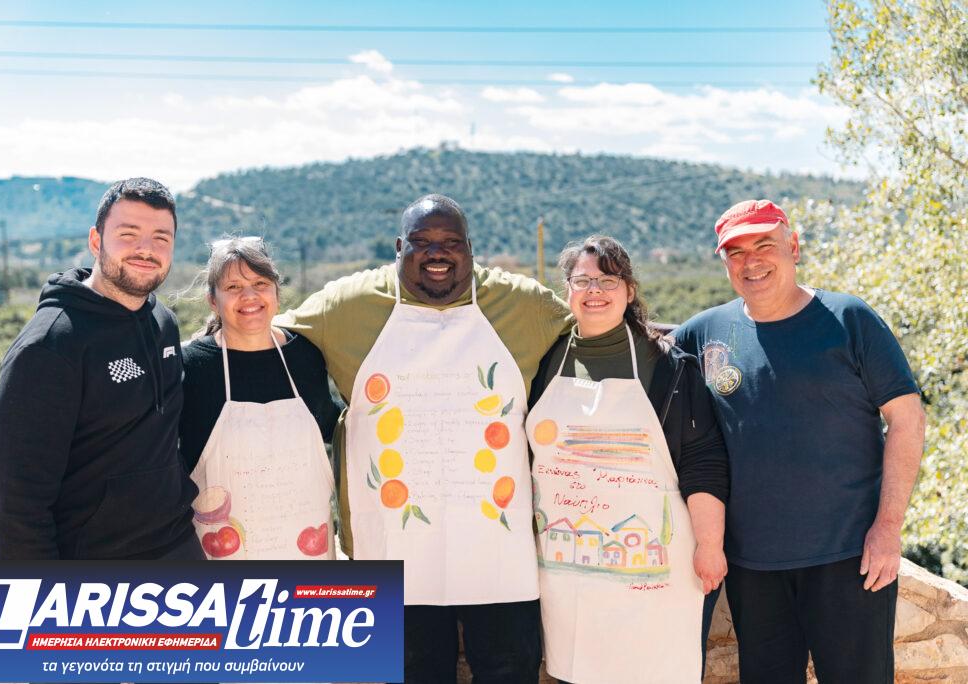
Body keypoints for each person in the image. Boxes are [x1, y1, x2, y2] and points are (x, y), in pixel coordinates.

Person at [273, 194, 572, 683]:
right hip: (393, 546)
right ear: (397, 247)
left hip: (496, 549)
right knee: (409, 671)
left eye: (451, 242)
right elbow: (263, 335)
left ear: (470, 249)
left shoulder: (525, 305)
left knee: (510, 668)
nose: (438, 253)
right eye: (421, 242)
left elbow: (597, 328)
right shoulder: (346, 304)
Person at [673, 199, 926, 683]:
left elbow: (908, 420)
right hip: (752, 566)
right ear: (724, 262)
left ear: (794, 247)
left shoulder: (849, 319)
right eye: (736, 251)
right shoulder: (703, 334)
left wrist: (888, 528)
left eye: (764, 244)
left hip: (851, 559)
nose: (752, 260)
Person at [527, 235, 728, 683]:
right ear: (567, 291)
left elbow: (702, 460)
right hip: (568, 565)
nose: (594, 291)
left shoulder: (669, 365)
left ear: (630, 291)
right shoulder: (543, 361)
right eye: (582, 280)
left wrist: (710, 546)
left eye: (608, 280)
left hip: (653, 567)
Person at [0, 177, 202, 560]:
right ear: (96, 240)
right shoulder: (49, 347)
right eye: (128, 233)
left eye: (160, 238)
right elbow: (15, 504)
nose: (145, 250)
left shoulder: (164, 322)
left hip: (177, 550)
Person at [180, 236, 339, 560]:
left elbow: (335, 426)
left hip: (311, 560)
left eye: (259, 283)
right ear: (213, 299)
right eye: (233, 287)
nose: (249, 296)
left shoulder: (304, 356)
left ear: (276, 292)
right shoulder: (191, 367)